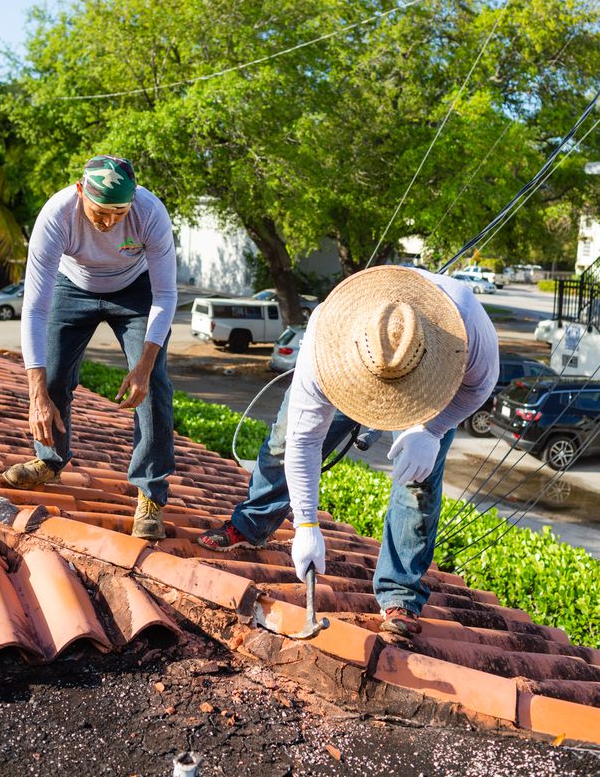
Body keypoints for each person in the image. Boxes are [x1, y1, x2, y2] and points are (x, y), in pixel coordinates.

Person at [199, 266, 498, 635]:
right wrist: (306, 524)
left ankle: (399, 596)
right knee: (283, 442)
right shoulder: (325, 341)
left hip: (427, 394)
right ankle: (253, 522)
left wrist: (432, 432)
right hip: (349, 365)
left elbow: (478, 390)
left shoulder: (466, 328)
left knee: (418, 483)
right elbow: (304, 442)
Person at [2, 154, 178, 541]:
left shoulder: (150, 213)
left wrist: (145, 363)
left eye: (119, 213)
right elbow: (33, 307)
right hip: (72, 287)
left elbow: (165, 294)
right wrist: (36, 395)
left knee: (154, 387)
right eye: (101, 212)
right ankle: (50, 460)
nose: (109, 222)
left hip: (135, 291)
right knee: (52, 376)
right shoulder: (56, 215)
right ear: (81, 191)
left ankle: (150, 493)